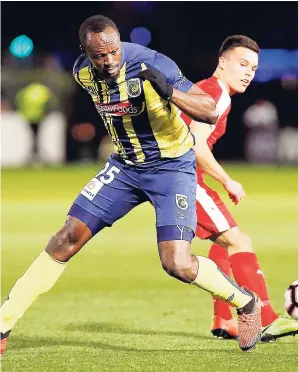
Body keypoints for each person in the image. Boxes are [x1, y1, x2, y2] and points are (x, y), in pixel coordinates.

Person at [1, 17, 262, 355]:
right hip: (125, 167)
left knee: (176, 264)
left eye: (113, 52)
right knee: (66, 238)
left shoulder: (152, 63)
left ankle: (245, 303)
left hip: (171, 168)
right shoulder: (81, 73)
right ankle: (4, 322)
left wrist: (169, 91)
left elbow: (209, 111)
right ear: (86, 53)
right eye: (99, 56)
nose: (108, 61)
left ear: (120, 43)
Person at [181, 35, 298, 342]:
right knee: (238, 240)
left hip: (179, 176)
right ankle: (266, 320)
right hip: (179, 177)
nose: (249, 72)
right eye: (242, 64)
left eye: (254, 68)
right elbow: (195, 145)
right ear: (222, 62)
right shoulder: (214, 93)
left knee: (222, 243)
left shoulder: (213, 91)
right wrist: (227, 180)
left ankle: (223, 319)